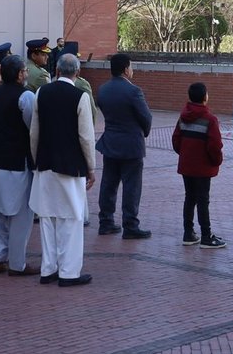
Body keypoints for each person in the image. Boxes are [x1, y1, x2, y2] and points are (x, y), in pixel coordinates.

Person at [29, 53, 96, 286]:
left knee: (48, 217)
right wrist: (91, 167)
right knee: (72, 218)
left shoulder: (41, 93)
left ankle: (49, 269)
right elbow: (86, 137)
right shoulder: (81, 96)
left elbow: (34, 131)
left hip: (45, 163)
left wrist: (36, 158)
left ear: (56, 70)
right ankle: (69, 272)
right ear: (76, 73)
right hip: (71, 165)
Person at [0, 55, 38, 276]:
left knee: (1, 211)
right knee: (20, 215)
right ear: (19, 74)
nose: (26, 73)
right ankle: (17, 264)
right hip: (18, 161)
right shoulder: (26, 96)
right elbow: (32, 128)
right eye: (24, 70)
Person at [95, 52, 154, 240]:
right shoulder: (133, 91)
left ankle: (106, 221)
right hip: (131, 144)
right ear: (126, 69)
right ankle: (130, 224)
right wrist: (142, 132)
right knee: (131, 186)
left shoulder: (103, 89)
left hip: (110, 141)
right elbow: (146, 117)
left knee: (108, 183)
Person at [172, 83, 225, 248]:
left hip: (187, 165)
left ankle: (188, 233)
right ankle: (206, 236)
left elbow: (176, 140)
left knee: (190, 197)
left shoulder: (183, 117)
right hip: (203, 167)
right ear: (205, 97)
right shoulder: (210, 119)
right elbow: (215, 145)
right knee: (203, 200)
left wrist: (185, 153)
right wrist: (216, 161)